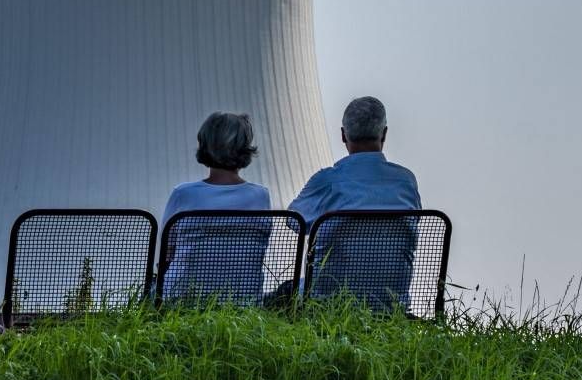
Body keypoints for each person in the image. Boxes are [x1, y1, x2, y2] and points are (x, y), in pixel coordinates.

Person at [288, 96, 420, 312]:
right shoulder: (406, 181)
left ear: (343, 135)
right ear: (384, 133)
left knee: (282, 294)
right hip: (390, 306)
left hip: (327, 305)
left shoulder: (327, 181)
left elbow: (294, 221)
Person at [159, 112, 271, 303]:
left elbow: (166, 254)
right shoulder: (260, 196)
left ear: (204, 145)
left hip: (183, 300)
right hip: (243, 301)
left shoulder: (183, 194)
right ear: (245, 148)